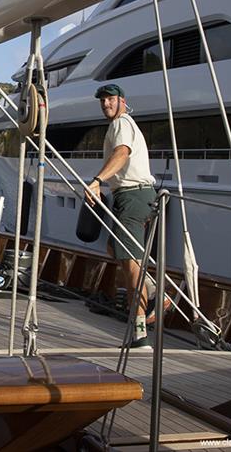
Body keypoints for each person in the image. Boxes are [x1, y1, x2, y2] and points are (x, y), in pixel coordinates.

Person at [85, 83, 157, 349]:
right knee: (115, 249)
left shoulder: (121, 123)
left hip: (133, 195)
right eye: (102, 101)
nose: (106, 104)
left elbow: (122, 153)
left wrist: (96, 181)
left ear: (123, 101)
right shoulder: (123, 123)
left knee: (129, 264)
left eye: (111, 99)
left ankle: (139, 334)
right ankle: (152, 289)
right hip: (132, 196)